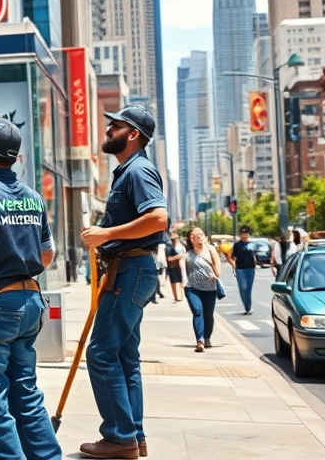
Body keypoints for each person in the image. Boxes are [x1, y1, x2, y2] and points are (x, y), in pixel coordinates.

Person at [0, 118, 61, 460]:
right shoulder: (34, 197)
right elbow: (47, 254)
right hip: (31, 300)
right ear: (15, 158)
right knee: (26, 393)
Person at [78, 106, 168, 460]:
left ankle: (119, 436)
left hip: (130, 270)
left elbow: (158, 218)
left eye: (114, 126)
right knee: (125, 357)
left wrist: (106, 234)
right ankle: (134, 435)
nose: (108, 131)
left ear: (132, 135)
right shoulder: (127, 172)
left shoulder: (139, 171)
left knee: (100, 353)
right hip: (131, 270)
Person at [184, 227, 223, 352]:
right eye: (193, 236)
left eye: (199, 234)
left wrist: (215, 275)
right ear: (190, 239)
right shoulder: (188, 252)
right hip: (192, 288)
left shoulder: (210, 250)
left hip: (209, 287)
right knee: (197, 312)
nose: (197, 237)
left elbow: (218, 270)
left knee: (208, 314)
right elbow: (182, 268)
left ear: (204, 236)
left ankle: (207, 337)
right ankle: (199, 340)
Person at [227, 226, 257, 315]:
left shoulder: (253, 245)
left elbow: (255, 256)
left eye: (246, 233)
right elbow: (232, 256)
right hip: (240, 269)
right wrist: (233, 263)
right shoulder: (237, 245)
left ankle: (249, 307)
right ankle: (247, 306)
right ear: (240, 235)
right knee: (242, 288)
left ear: (248, 234)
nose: (244, 235)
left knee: (248, 289)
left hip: (250, 268)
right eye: (242, 233)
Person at [165, 233, 187, 303]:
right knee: (173, 282)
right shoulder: (169, 247)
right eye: (173, 239)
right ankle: (175, 297)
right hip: (172, 266)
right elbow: (169, 259)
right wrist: (179, 256)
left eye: (175, 239)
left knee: (182, 281)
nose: (174, 240)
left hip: (180, 266)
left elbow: (184, 255)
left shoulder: (180, 246)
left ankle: (181, 296)